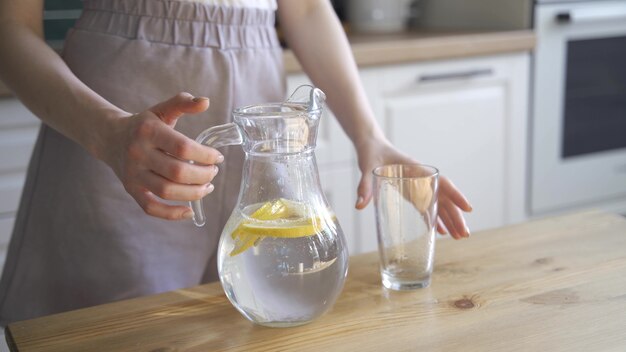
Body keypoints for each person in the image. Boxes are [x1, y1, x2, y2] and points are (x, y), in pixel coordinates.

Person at [0, 0, 472, 325]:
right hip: (125, 118)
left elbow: (305, 8)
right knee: (122, 330)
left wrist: (370, 137)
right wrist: (108, 133)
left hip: (261, 116)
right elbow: (10, 30)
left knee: (265, 318)